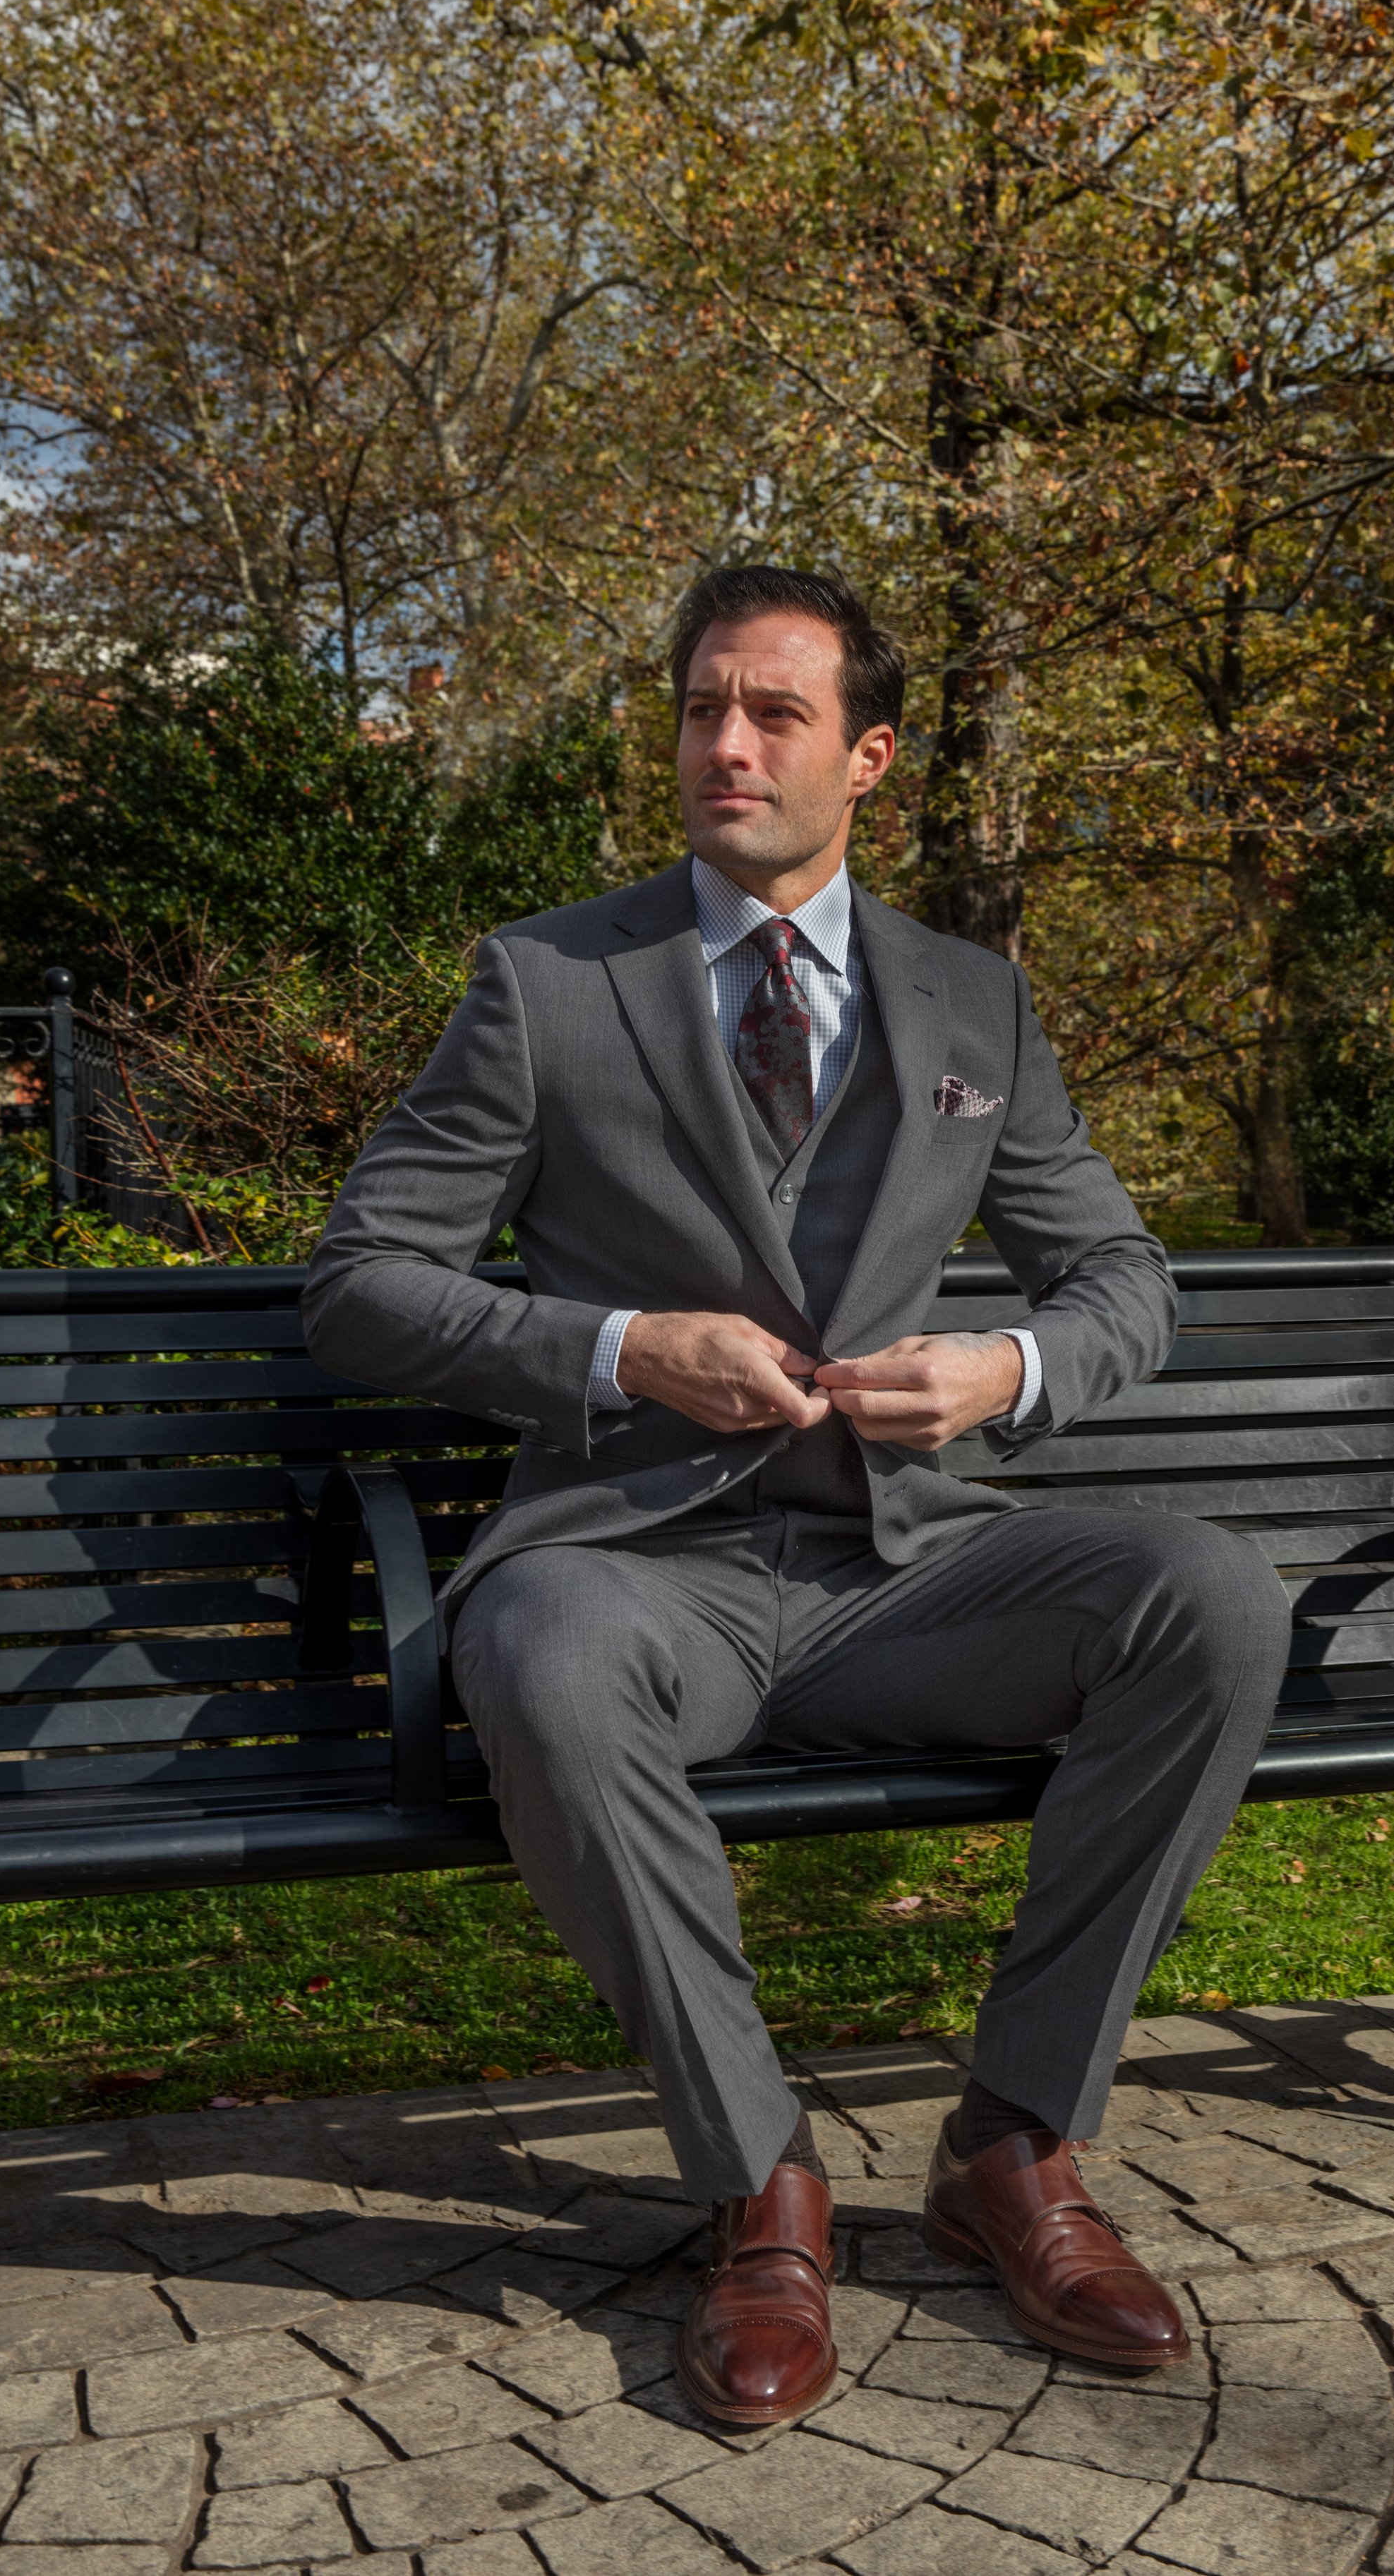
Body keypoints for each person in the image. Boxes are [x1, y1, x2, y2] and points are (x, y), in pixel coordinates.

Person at [304, 564, 1290, 2430]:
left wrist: (1005, 1371)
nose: (724, 745)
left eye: (770, 714)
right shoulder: (547, 982)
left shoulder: (969, 1005)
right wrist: (616, 1349)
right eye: (698, 710)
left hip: (899, 1579)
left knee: (1214, 1601)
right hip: (635, 1571)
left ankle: (1013, 2146)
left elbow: (1124, 1284)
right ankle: (761, 2186)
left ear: (871, 755)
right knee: (541, 1662)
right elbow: (362, 1283)